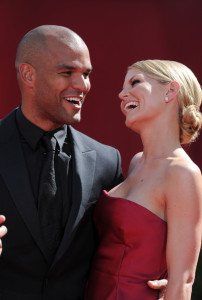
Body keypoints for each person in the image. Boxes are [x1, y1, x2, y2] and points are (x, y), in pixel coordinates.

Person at [0, 26, 166, 300]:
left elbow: (120, 245)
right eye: (67, 73)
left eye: (86, 74)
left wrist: (160, 277)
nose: (82, 85)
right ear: (28, 75)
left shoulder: (106, 161)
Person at [85, 59, 202, 300]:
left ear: (170, 91)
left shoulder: (182, 174)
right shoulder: (137, 162)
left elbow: (182, 281)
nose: (121, 94)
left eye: (135, 82)